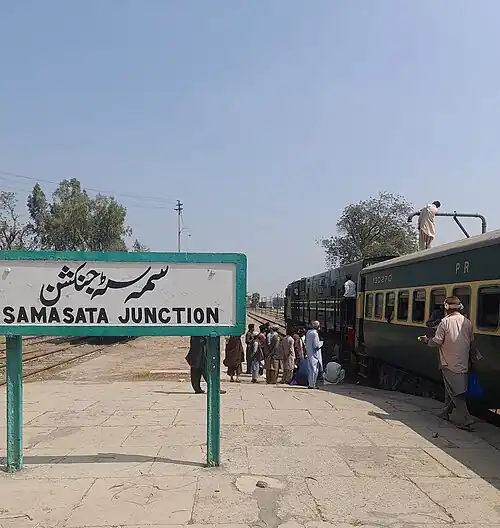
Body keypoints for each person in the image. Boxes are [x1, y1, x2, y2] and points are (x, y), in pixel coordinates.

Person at [418, 296, 481, 431]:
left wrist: (426, 340)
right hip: (463, 362)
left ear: (446, 308)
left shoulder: (445, 322)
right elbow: (472, 342)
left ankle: (466, 420)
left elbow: (437, 341)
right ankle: (445, 412)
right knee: (451, 388)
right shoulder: (468, 322)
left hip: (448, 362)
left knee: (456, 393)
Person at [306, 321, 324, 389]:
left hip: (309, 353)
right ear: (318, 327)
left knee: (311, 369)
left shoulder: (308, 332)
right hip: (315, 354)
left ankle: (311, 384)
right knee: (315, 369)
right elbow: (316, 345)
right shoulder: (315, 334)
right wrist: (321, 343)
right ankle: (313, 385)